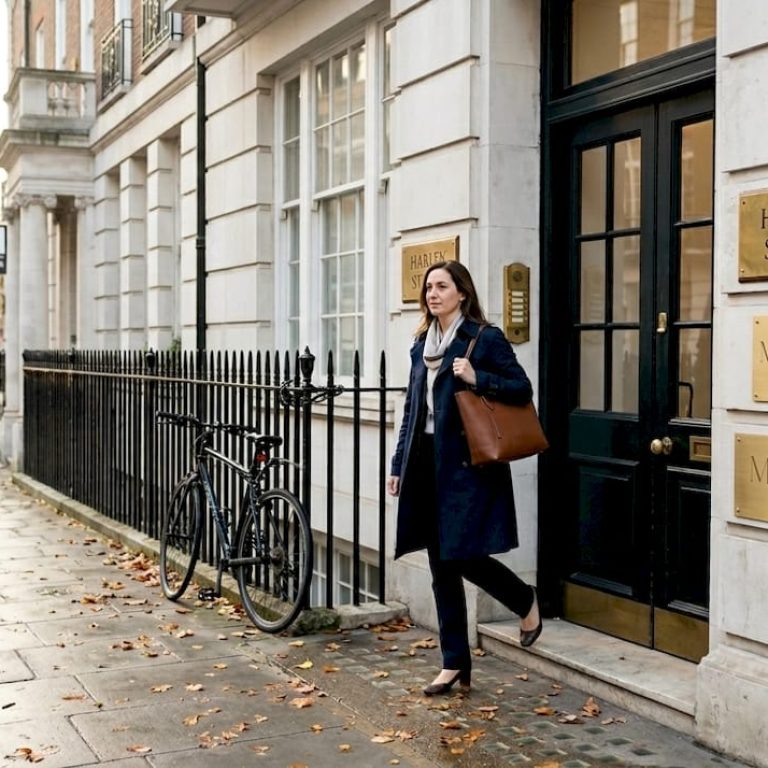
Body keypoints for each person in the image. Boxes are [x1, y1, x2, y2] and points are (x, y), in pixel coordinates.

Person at [387, 260, 542, 697]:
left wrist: (478, 378)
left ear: (462, 293)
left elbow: (521, 388)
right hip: (425, 463)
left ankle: (524, 600)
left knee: (462, 554)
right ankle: (454, 661)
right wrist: (398, 465)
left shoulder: (484, 338)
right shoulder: (422, 344)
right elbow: (412, 410)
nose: (432, 293)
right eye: (428, 287)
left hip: (468, 466)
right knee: (440, 564)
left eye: (442, 286)